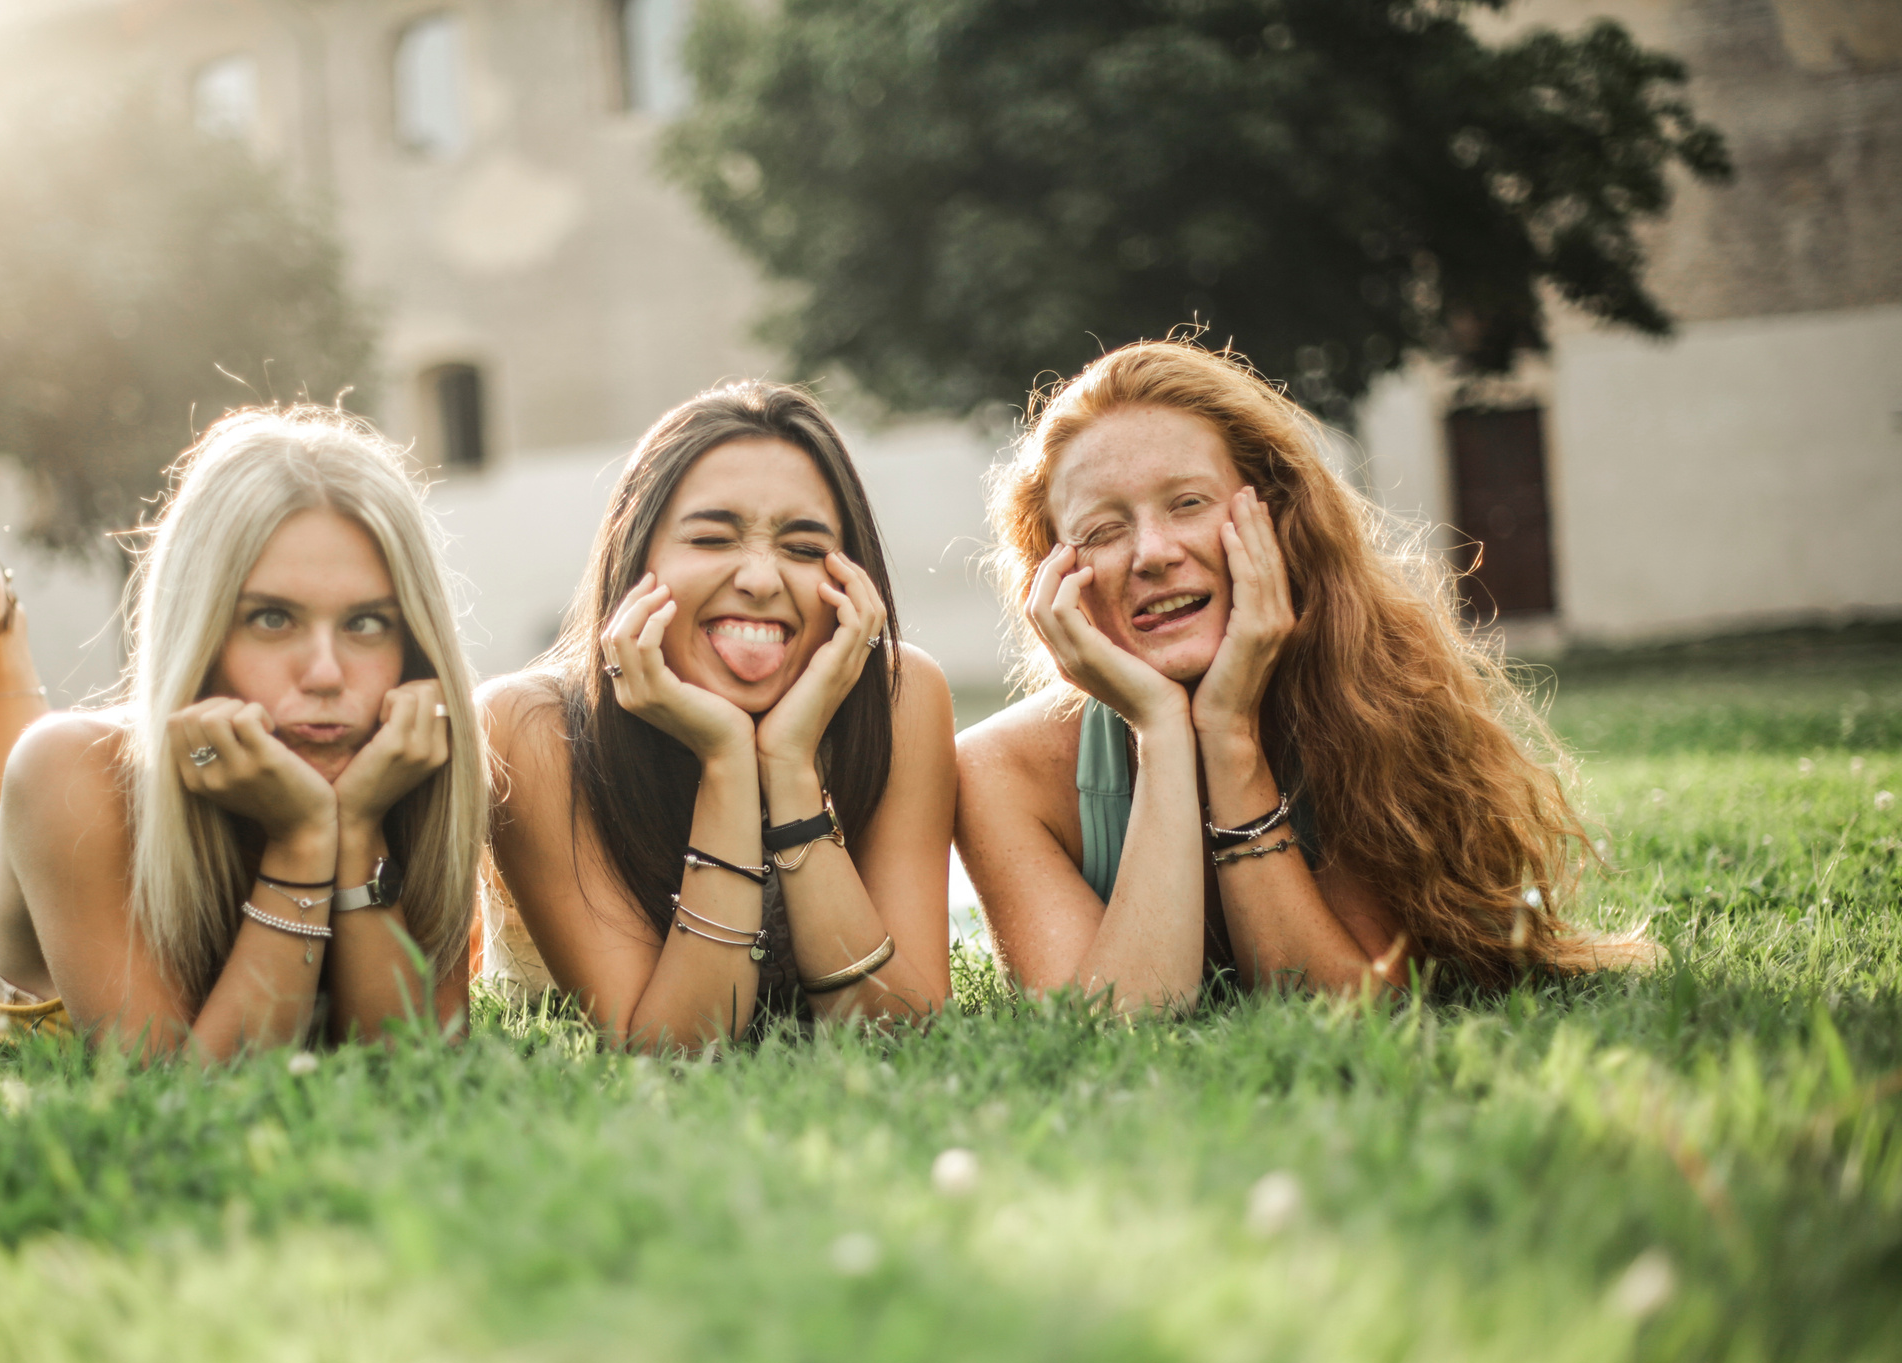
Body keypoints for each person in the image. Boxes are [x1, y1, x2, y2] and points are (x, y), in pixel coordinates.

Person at [955, 340, 1655, 1010]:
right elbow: (1113, 1020)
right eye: (1102, 531)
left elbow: (1343, 1004)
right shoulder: (998, 771)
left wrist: (1229, 736)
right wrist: (1162, 730)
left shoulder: (1370, 694)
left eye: (1188, 503)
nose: (1153, 553)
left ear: (1278, 515)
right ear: (1055, 578)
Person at [0, 406, 486, 1058]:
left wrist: (359, 829)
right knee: (36, 786)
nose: (328, 673)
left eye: (366, 623)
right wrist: (302, 844)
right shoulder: (72, 768)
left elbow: (412, 1059)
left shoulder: (415, 767)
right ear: (201, 629)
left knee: (48, 819)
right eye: (273, 619)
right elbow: (192, 1099)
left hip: (59, 901)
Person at [480, 382, 957, 1050]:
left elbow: (903, 1027)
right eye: (710, 538)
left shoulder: (901, 698)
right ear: (634, 558)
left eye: (803, 548)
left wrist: (789, 764)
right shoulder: (533, 727)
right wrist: (727, 760)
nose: (762, 579)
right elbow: (673, 1047)